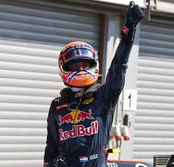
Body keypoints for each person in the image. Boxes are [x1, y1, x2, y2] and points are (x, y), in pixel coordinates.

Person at [43, 1, 144, 167]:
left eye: (85, 65)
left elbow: (119, 67)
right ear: (64, 68)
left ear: (94, 65)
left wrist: (129, 30)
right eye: (75, 66)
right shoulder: (57, 105)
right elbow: (51, 148)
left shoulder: (104, 95)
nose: (81, 69)